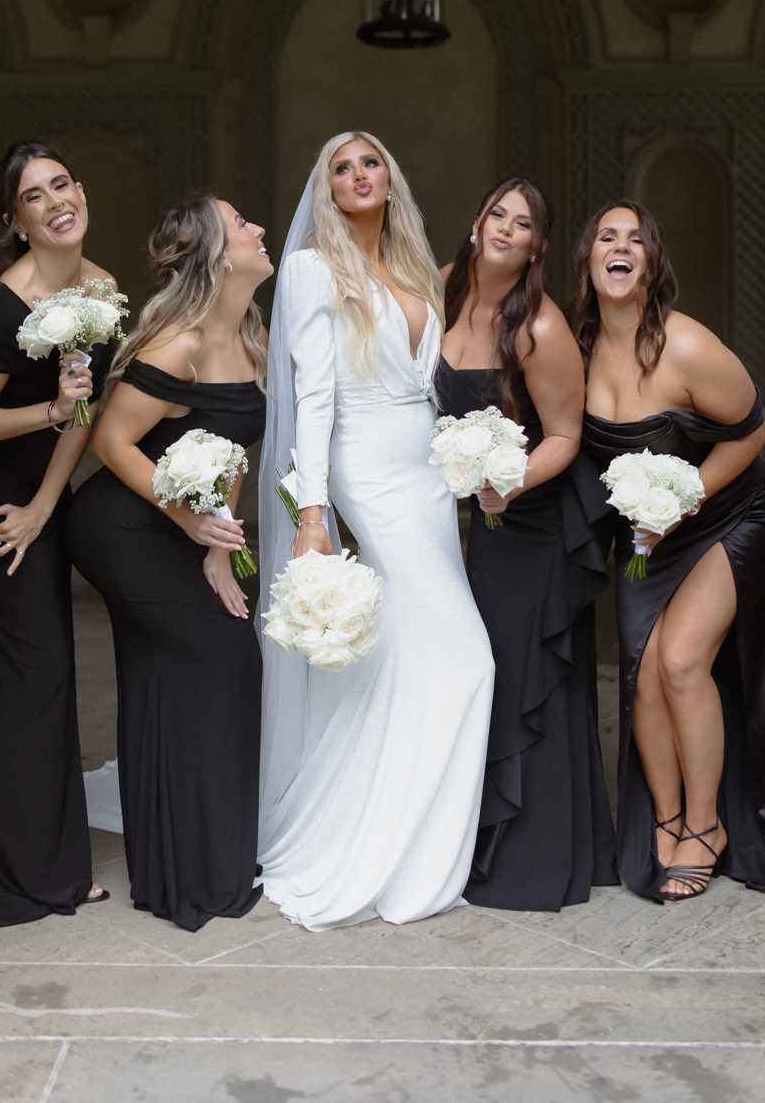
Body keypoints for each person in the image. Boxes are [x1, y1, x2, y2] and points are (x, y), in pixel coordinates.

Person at [257, 131, 495, 931]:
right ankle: (374, 848)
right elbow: (311, 399)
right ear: (325, 189)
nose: (359, 175)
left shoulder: (415, 265)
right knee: (468, 659)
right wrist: (314, 515)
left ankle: (407, 837)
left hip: (428, 476)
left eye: (370, 163)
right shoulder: (310, 268)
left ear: (390, 179)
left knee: (409, 658)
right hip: (367, 468)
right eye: (341, 167)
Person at [569, 200, 765, 902]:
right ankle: (667, 818)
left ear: (651, 263)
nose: (621, 247)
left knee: (680, 661)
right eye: (606, 237)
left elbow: (752, 432)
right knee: (645, 671)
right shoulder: (577, 349)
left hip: (732, 513)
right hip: (649, 533)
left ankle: (707, 827)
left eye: (636, 240)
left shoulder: (687, 345)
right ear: (589, 260)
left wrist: (680, 504)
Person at [66, 196, 270, 931]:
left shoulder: (251, 334)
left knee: (188, 670)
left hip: (186, 529)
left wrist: (219, 550)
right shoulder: (176, 342)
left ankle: (182, 867)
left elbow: (231, 448)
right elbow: (111, 443)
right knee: (220, 657)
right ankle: (194, 874)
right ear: (218, 254)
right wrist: (189, 523)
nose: (258, 228)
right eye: (242, 223)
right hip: (121, 526)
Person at [0, 140, 114, 928]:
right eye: (35, 196)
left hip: (38, 495)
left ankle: (33, 865)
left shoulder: (100, 290)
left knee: (39, 678)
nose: (56, 201)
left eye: (63, 184)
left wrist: (50, 503)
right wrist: (46, 418)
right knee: (24, 678)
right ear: (16, 221)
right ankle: (13, 880)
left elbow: (85, 412)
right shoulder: (8, 305)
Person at [435, 178, 617, 910]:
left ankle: (536, 856)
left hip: (535, 521)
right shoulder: (446, 288)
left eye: (525, 223)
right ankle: (488, 835)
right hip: (488, 526)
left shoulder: (538, 327)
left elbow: (567, 438)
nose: (507, 228)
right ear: (477, 223)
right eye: (497, 214)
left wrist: (507, 485)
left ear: (540, 244)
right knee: (489, 672)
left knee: (524, 674)